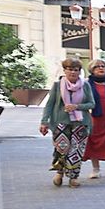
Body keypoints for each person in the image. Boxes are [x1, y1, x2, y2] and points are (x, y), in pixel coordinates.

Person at [39, 59, 94, 187]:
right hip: (61, 122)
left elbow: (92, 104)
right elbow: (49, 105)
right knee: (61, 149)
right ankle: (59, 172)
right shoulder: (58, 85)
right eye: (70, 69)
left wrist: (77, 106)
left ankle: (73, 177)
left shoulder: (85, 85)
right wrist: (44, 122)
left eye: (76, 70)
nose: (73, 72)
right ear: (64, 70)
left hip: (80, 123)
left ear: (80, 72)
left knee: (77, 150)